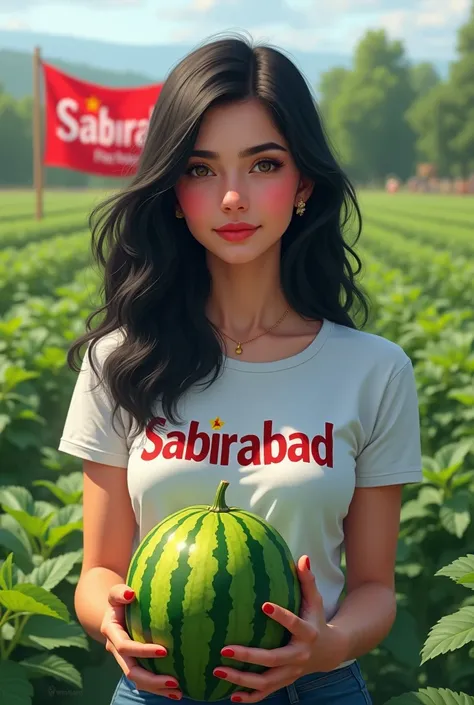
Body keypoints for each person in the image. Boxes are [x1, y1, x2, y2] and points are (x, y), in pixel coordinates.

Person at [58, 33, 423, 705]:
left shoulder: (374, 371)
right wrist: (108, 617)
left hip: (317, 688)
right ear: (172, 190)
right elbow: (98, 568)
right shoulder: (121, 360)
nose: (232, 197)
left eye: (262, 164)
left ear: (304, 182)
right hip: (158, 689)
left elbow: (374, 588)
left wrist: (330, 643)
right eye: (201, 169)